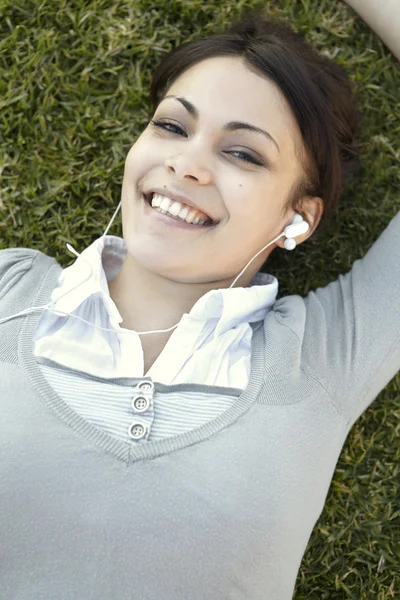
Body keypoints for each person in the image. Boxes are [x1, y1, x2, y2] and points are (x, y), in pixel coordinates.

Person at [0, 1, 398, 598]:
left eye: (242, 153)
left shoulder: (322, 359)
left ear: (298, 217)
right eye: (171, 126)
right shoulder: (9, 293)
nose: (186, 164)